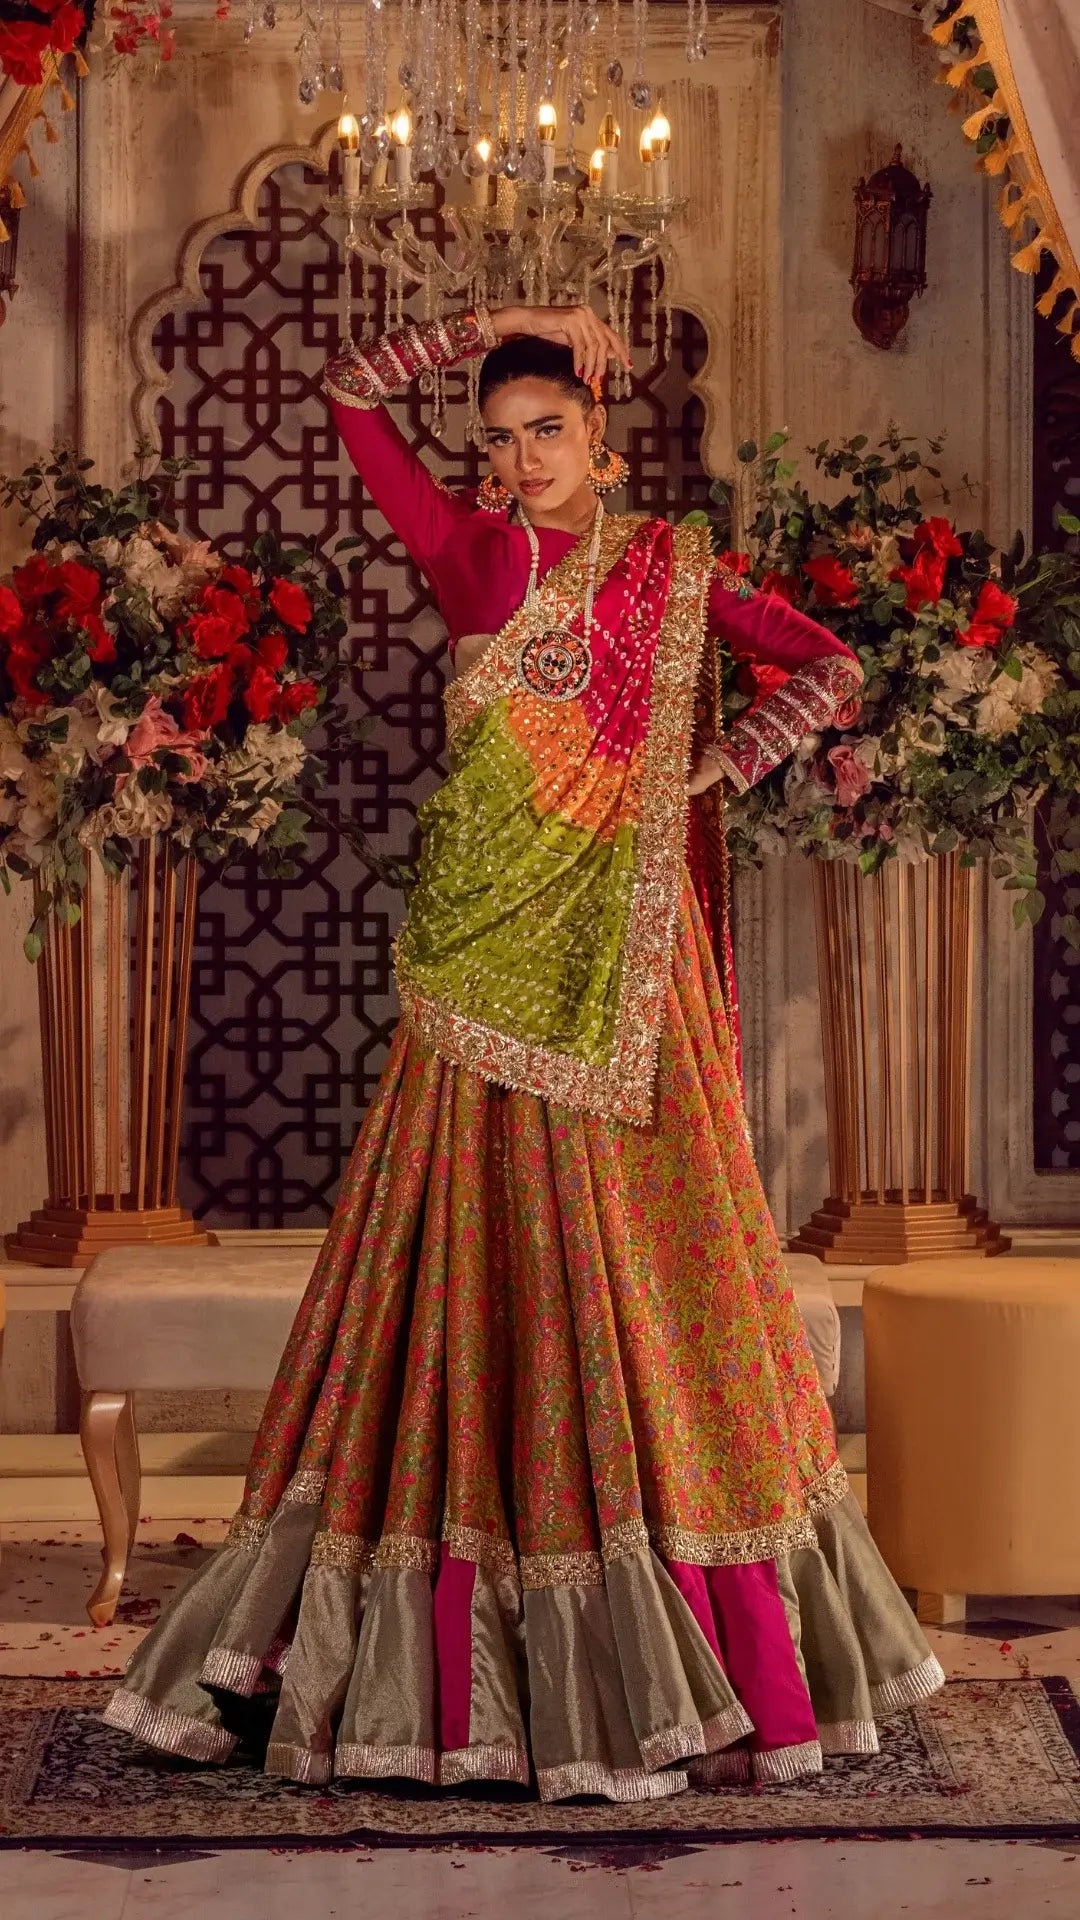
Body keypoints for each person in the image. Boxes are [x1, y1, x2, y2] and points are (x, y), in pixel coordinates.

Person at [103, 303, 942, 1802]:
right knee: (457, 1264)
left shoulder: (677, 571)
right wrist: (489, 328)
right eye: (497, 439)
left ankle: (688, 1622)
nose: (519, 460)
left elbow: (827, 672)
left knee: (655, 1259)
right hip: (484, 955)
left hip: (628, 970)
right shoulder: (471, 553)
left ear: (600, 439)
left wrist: (711, 764)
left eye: (545, 428)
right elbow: (354, 394)